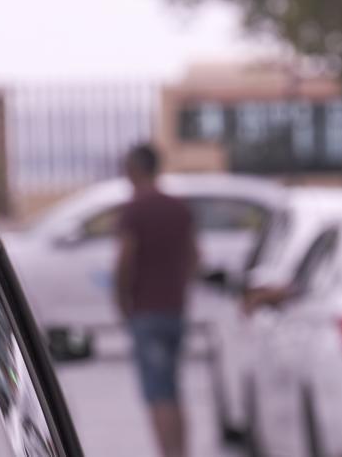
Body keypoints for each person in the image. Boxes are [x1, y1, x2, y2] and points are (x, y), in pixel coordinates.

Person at [114, 144, 197, 457]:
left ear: (134, 169)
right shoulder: (178, 207)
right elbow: (194, 257)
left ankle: (169, 453)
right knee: (173, 390)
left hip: (146, 312)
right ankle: (182, 452)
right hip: (175, 310)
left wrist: (122, 300)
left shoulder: (135, 209)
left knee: (157, 393)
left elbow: (125, 260)